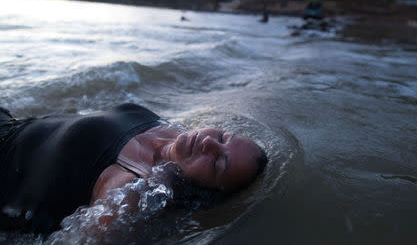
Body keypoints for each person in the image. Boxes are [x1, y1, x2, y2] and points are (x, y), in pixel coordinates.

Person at [0, 103, 267, 234]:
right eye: (223, 137)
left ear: (204, 189)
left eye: (218, 162)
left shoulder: (129, 188)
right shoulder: (174, 131)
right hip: (11, 124)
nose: (209, 142)